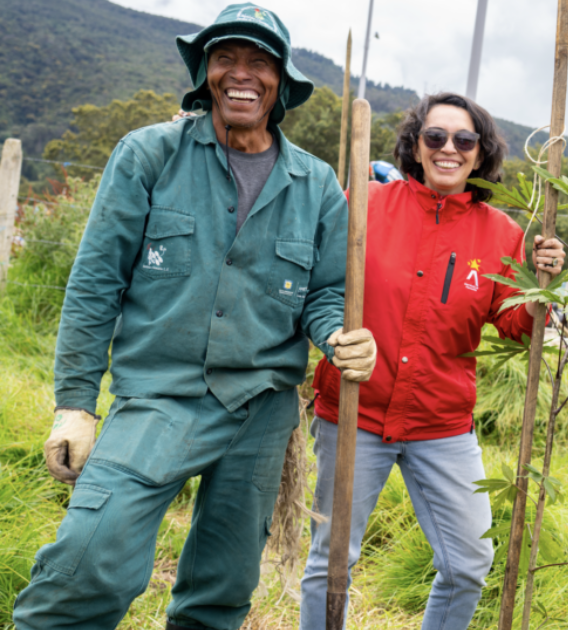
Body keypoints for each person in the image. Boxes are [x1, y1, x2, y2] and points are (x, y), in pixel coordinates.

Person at [13, 4, 377, 630]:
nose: (242, 73)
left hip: (261, 407)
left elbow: (324, 293)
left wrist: (339, 335)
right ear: (205, 72)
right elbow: (96, 282)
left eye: (259, 61)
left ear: (281, 82)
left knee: (223, 590)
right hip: (160, 393)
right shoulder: (149, 155)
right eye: (226, 57)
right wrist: (75, 403)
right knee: (90, 557)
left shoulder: (315, 184)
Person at [299, 92, 567, 630]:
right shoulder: (365, 203)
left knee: (469, 563)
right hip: (354, 409)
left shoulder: (502, 235)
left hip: (441, 424)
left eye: (464, 140)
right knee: (332, 561)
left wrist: (545, 285)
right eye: (435, 137)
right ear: (415, 147)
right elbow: (318, 286)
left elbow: (516, 329)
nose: (450, 148)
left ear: (480, 153)